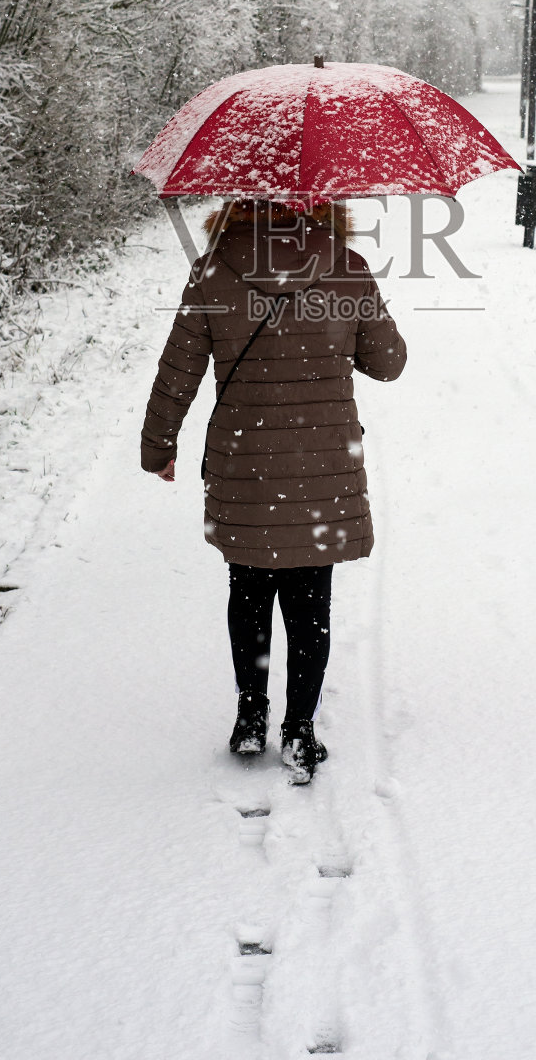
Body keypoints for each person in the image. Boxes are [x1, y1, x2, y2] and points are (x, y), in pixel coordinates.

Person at [141, 198, 406, 783]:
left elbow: (177, 368)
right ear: (323, 201)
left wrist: (158, 446)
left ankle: (250, 718)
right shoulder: (347, 267)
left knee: (250, 592)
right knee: (311, 603)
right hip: (322, 473)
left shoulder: (214, 270)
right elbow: (389, 363)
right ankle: (300, 733)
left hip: (246, 464)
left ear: (238, 200)